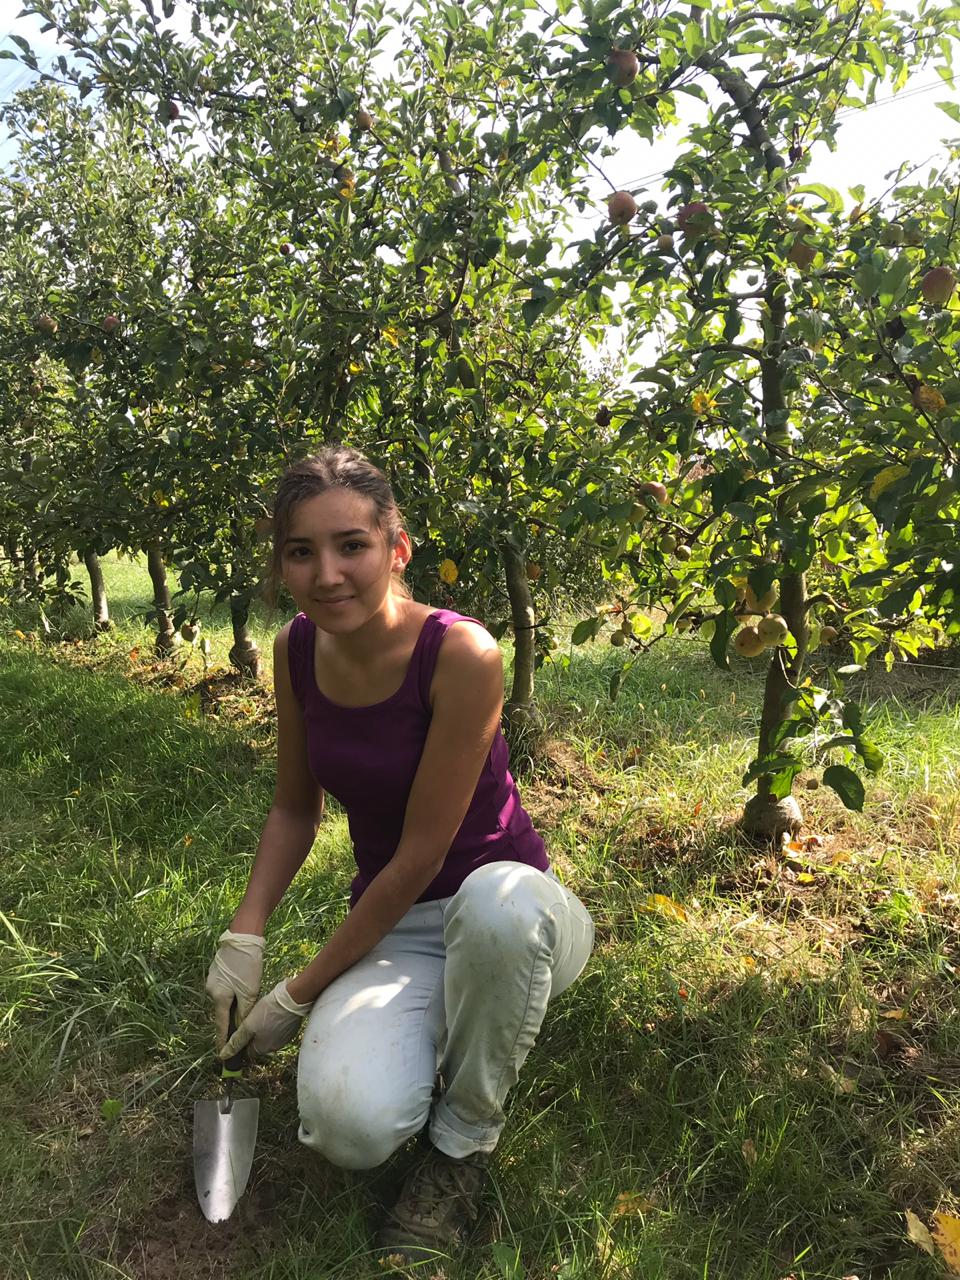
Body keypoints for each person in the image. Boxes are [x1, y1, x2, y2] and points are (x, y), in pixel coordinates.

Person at [205, 447, 594, 1265]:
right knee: (345, 1127)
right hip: (399, 929)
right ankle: (458, 1025)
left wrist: (299, 991)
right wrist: (246, 934)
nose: (327, 574)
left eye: (352, 545)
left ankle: (463, 1144)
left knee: (496, 909)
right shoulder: (296, 649)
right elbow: (294, 807)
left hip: (516, 915)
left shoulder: (460, 654)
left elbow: (420, 856)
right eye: (301, 552)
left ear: (397, 549)